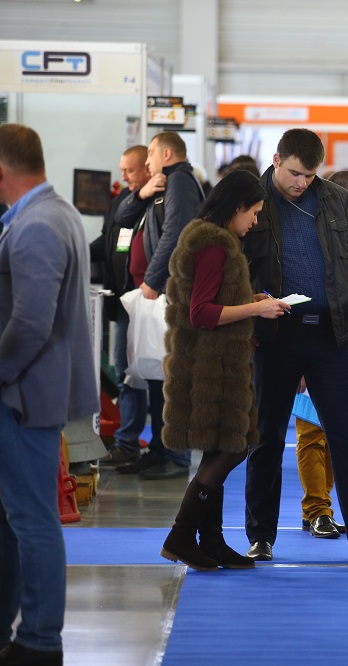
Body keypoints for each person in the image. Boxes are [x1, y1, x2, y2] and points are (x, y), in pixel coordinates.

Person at [241, 129, 348, 562]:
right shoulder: (252, 199)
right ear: (276, 159)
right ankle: (260, 537)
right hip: (274, 337)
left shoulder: (336, 199)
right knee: (265, 439)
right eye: (294, 173)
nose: (301, 182)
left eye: (309, 175)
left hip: (331, 335)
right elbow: (234, 266)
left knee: (347, 440)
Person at [0, 124, 99, 664]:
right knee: (15, 518)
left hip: (24, 395)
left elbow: (30, 324)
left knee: (32, 520)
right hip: (32, 391)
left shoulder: (37, 223)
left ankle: (39, 641)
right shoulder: (53, 212)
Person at [158, 170, 287, 571]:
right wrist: (257, 308)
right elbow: (201, 312)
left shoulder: (208, 238)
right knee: (233, 447)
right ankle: (181, 536)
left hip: (210, 361)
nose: (255, 221)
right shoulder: (216, 245)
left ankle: (210, 541)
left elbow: (211, 299)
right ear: (236, 207)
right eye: (253, 212)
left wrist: (251, 300)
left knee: (221, 448)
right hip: (210, 366)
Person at [114, 131, 205, 480]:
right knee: (156, 375)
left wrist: (153, 279)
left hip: (170, 293)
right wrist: (143, 192)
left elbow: (176, 234)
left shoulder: (180, 181)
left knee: (173, 378)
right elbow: (122, 218)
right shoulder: (162, 184)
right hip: (158, 296)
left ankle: (176, 456)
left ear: (166, 154)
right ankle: (159, 450)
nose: (148, 161)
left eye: (151, 154)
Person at [293, 169, 348, 540]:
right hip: (318, 347)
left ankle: (322, 505)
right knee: (312, 432)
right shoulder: (310, 236)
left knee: (340, 433)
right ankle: (316, 509)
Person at [92, 145, 151, 466]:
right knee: (125, 374)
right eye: (123, 170)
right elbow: (106, 242)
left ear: (146, 168)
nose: (124, 176)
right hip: (121, 302)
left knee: (138, 374)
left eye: (129, 170)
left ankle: (131, 442)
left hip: (144, 304)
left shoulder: (156, 201)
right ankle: (126, 442)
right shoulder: (122, 201)